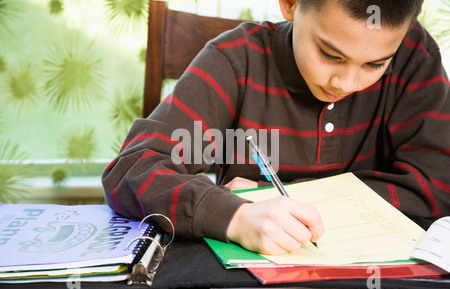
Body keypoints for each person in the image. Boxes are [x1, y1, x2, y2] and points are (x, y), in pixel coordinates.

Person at [102, 0, 450, 255]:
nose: (345, 83)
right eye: (330, 54)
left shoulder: (413, 56)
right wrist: (235, 217)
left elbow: (436, 189)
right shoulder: (236, 62)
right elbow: (133, 169)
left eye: (375, 64)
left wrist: (273, 201)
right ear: (290, 4)